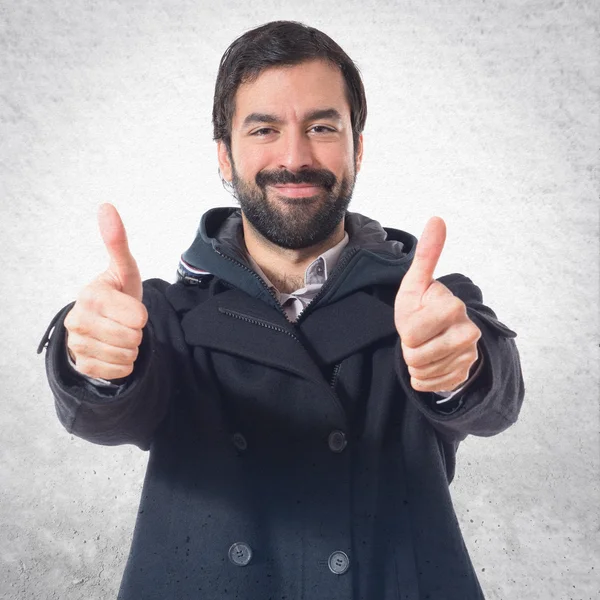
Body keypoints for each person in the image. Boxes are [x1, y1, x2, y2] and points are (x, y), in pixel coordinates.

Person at [38, 20, 524, 600]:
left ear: (357, 148)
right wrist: (91, 362)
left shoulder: (427, 307)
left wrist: (459, 374)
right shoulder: (164, 316)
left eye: (321, 126)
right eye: (264, 129)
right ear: (225, 157)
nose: (294, 157)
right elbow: (104, 414)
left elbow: (495, 401)